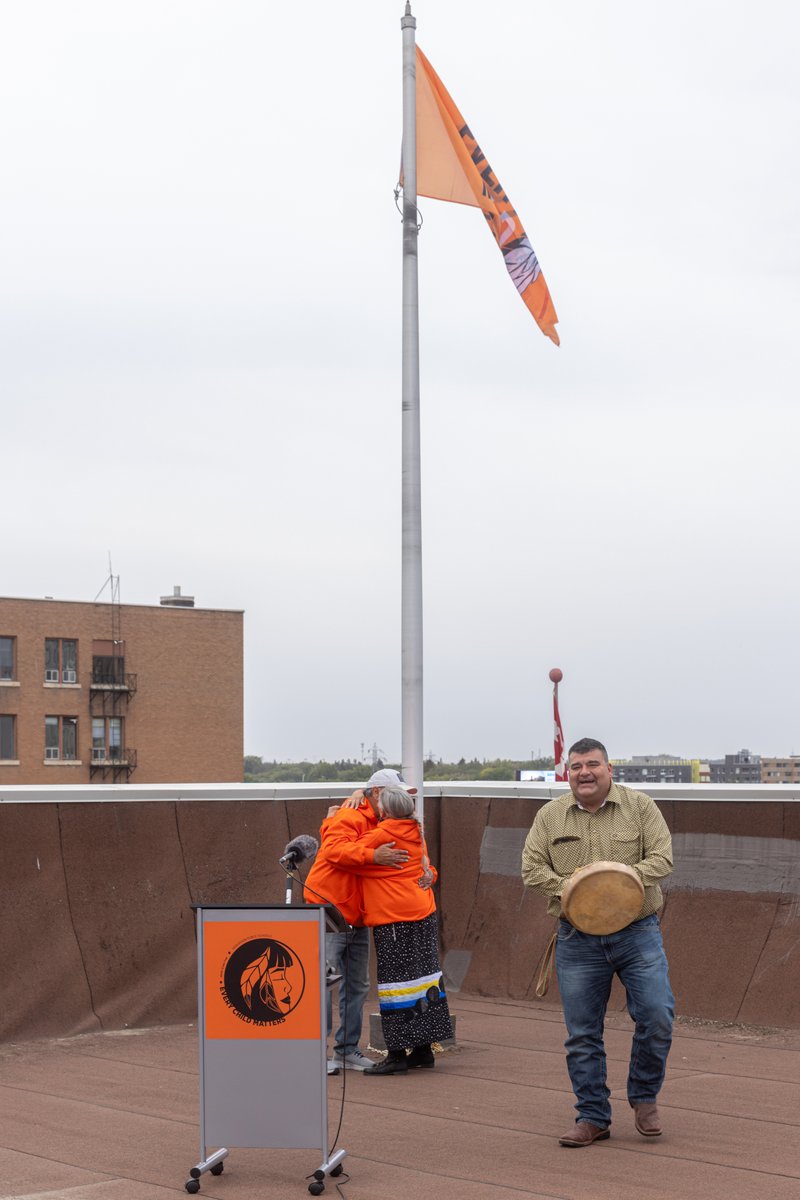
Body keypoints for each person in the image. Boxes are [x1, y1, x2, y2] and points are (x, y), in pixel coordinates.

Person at [521, 737, 674, 1147]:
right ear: (567, 773)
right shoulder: (550, 816)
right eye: (576, 767)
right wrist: (576, 888)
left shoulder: (640, 807)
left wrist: (614, 884)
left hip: (637, 931)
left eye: (592, 764)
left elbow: (662, 858)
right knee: (582, 1034)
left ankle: (643, 1096)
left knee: (657, 1015)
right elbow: (531, 869)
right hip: (577, 937)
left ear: (610, 769)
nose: (584, 772)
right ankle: (593, 1117)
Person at [303, 768, 415, 1072]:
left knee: (356, 986)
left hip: (357, 916)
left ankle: (345, 1050)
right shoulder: (350, 816)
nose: (401, 801)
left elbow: (413, 857)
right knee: (324, 984)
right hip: (330, 912)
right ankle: (316, 1053)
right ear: (378, 794)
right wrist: (373, 857)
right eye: (396, 795)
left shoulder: (380, 819)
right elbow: (334, 851)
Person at [353, 785, 454, 1076]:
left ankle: (396, 1053)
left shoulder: (383, 833)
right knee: (423, 980)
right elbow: (425, 867)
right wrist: (430, 875)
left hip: (395, 919)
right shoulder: (415, 829)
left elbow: (344, 852)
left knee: (395, 985)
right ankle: (422, 1050)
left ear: (383, 809)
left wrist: (337, 815)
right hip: (422, 912)